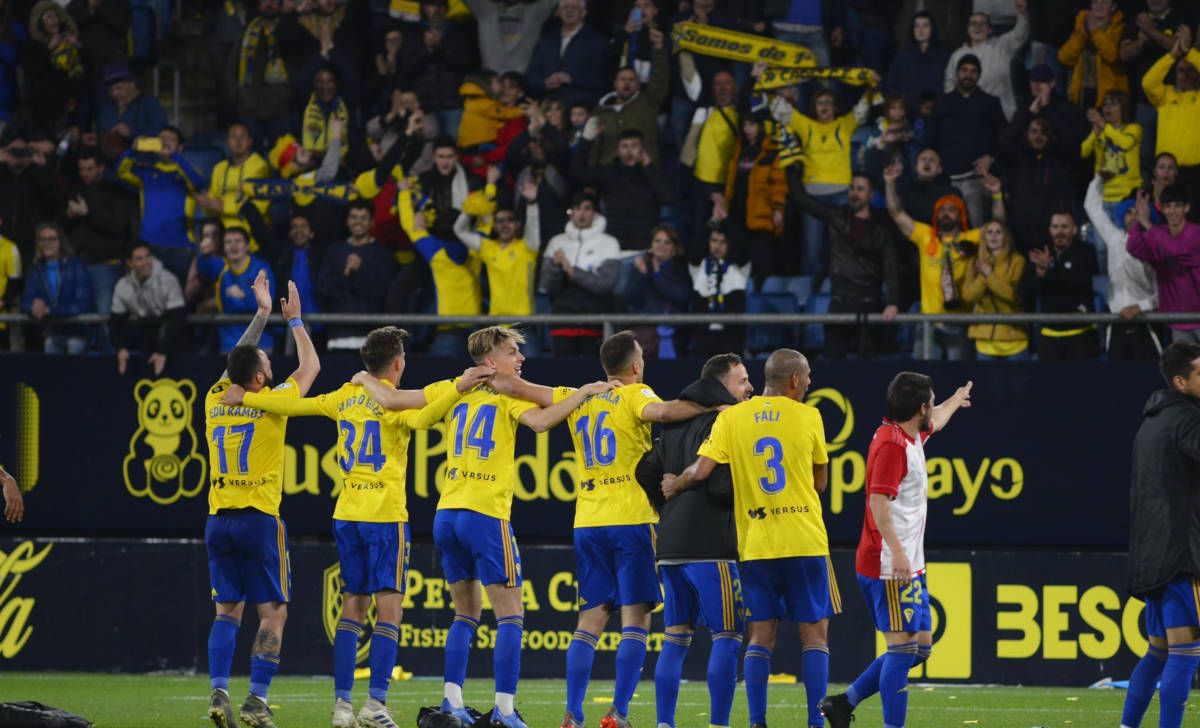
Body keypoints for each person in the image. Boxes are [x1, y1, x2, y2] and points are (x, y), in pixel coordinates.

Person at [222, 327, 493, 728]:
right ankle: (375, 704)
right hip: (384, 515)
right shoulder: (396, 403)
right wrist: (459, 388)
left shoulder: (345, 397)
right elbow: (428, 413)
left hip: (347, 514)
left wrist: (248, 396)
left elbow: (296, 408)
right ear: (398, 363)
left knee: (353, 607)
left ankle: (343, 706)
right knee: (389, 612)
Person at [354, 325, 614, 728]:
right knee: (510, 617)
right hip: (485, 513)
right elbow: (543, 424)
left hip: (447, 514)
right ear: (491, 361)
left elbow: (393, 400)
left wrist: (362, 378)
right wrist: (582, 393)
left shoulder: (453, 388)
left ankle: (452, 702)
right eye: (512, 352)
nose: (520, 359)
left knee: (465, 614)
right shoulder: (505, 392)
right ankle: (506, 712)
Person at [495, 331, 706, 728]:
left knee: (588, 623)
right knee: (635, 620)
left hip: (588, 520)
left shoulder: (578, 395)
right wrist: (713, 404)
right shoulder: (636, 394)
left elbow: (518, 387)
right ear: (635, 366)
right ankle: (618, 714)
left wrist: (489, 374)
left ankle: (573, 714)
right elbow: (663, 413)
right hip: (631, 518)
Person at [663, 349, 837, 728]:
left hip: (756, 543)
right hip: (804, 539)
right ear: (794, 380)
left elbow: (702, 469)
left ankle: (757, 721)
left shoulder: (734, 417)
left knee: (760, 634)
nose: (809, 382)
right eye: (807, 376)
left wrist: (676, 482)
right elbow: (820, 482)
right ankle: (816, 722)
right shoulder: (810, 416)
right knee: (815, 635)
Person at [820, 372, 973, 728]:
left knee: (919, 648)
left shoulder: (908, 433)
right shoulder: (892, 445)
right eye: (932, 401)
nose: (933, 408)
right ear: (920, 407)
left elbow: (936, 420)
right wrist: (899, 554)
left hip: (907, 564)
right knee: (902, 650)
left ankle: (844, 703)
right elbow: (878, 504)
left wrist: (954, 399)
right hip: (889, 564)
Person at [203, 272, 320, 728]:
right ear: (259, 377)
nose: (273, 368)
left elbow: (237, 361)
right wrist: (293, 321)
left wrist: (262, 314)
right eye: (268, 365)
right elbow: (309, 369)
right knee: (273, 614)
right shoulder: (272, 402)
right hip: (258, 519)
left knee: (226, 611)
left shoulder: (215, 401)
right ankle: (255, 700)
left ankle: (217, 691)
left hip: (218, 520)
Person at [634, 353, 753, 728]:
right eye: (742, 381)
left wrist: (667, 502)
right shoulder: (726, 422)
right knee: (728, 635)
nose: (748, 388)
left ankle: (664, 723)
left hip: (669, 545)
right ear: (722, 386)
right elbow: (721, 486)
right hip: (710, 544)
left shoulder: (675, 423)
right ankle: (718, 724)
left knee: (675, 638)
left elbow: (646, 469)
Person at [1121, 342, 1200, 728]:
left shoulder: (1152, 421)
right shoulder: (1186, 419)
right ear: (1180, 381)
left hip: (1153, 555)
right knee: (1186, 651)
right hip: (1181, 554)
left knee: (1160, 650)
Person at [884, 161, 1004, 359]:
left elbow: (998, 226)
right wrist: (889, 183)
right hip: (928, 323)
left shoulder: (970, 239)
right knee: (921, 381)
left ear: (961, 214)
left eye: (952, 209)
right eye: (942, 209)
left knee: (955, 379)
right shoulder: (926, 236)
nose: (946, 213)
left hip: (959, 323)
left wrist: (997, 195)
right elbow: (896, 213)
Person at [790, 172, 901, 359]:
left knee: (869, 368)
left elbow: (891, 265)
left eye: (860, 189)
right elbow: (801, 199)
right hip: (840, 302)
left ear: (871, 195)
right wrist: (790, 165)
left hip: (869, 303)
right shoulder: (836, 216)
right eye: (851, 188)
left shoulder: (882, 227)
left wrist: (893, 301)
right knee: (832, 363)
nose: (854, 193)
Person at [116, 126, 209, 285]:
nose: (165, 142)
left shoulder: (186, 170)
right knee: (148, 298)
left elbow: (199, 183)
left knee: (179, 300)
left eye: (170, 140)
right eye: (161, 139)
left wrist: (175, 157)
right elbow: (121, 171)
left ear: (180, 147)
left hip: (180, 246)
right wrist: (133, 150)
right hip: (150, 245)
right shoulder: (146, 172)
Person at [1084, 176, 1161, 360]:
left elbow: (1163, 293)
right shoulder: (1114, 238)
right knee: (1117, 382)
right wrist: (1099, 178)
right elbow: (1092, 207)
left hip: (1147, 323)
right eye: (1129, 212)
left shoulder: (1156, 245)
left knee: (1149, 380)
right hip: (1117, 323)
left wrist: (1140, 307)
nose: (1134, 216)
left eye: (1138, 212)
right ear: (1121, 215)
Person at [928, 54, 1007, 228]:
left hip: (976, 180)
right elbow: (930, 139)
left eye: (973, 71)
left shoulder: (991, 103)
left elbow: (1005, 138)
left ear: (979, 75)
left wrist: (991, 157)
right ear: (957, 74)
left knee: (977, 231)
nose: (968, 75)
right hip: (945, 180)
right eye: (964, 70)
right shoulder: (942, 103)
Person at [540, 191, 621, 357]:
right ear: (571, 212)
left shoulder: (609, 243)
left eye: (587, 208)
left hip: (595, 324)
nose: (582, 213)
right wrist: (556, 267)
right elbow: (547, 285)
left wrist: (571, 270)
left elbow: (605, 285)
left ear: (595, 213)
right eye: (577, 208)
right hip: (562, 321)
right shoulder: (557, 242)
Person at [453, 178, 541, 318]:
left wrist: (532, 204)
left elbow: (533, 227)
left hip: (524, 323)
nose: (505, 225)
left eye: (510, 220)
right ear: (494, 226)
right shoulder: (488, 247)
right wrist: (468, 211)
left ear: (518, 225)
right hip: (496, 324)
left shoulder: (527, 247)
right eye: (500, 221)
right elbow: (460, 231)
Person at [1019, 211, 1100, 360]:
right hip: (1049, 336)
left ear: (1074, 229)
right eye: (1055, 227)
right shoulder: (1041, 254)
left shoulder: (1086, 252)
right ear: (1050, 230)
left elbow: (1078, 283)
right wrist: (1038, 275)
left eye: (1064, 227)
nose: (1059, 232)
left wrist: (1050, 268)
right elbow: (1025, 289)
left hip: (1081, 335)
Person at [317, 200, 395, 349]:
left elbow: (381, 292)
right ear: (347, 221)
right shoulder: (335, 251)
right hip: (336, 337)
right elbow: (324, 289)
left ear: (371, 222)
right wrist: (346, 273)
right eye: (353, 217)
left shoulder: (382, 254)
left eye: (363, 218)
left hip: (370, 340)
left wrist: (359, 272)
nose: (358, 222)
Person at [1128, 185, 1200, 344]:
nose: (1172, 211)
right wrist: (1138, 222)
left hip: (1198, 317)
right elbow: (1134, 248)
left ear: (1186, 208)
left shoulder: (1196, 233)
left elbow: (1177, 250)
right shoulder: (1159, 233)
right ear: (1162, 209)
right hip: (1178, 322)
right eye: (1168, 206)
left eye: (1177, 206)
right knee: (1186, 369)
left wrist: (1147, 224)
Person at [195, 227, 277, 354]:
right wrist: (204, 252)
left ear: (247, 246)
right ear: (223, 247)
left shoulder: (260, 268)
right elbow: (203, 266)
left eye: (238, 241)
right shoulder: (221, 267)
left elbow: (269, 302)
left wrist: (245, 295)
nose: (233, 246)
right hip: (229, 344)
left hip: (260, 343)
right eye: (228, 242)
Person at [943, 0, 1029, 120]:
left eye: (982, 24)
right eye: (973, 24)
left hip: (1001, 115)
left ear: (989, 30)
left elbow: (1020, 35)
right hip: (967, 116)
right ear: (967, 29)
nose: (977, 28)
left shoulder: (1001, 46)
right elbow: (949, 84)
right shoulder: (957, 55)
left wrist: (1022, 14)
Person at [1143, 30, 1200, 205]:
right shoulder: (1166, 95)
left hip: (1195, 173)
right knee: (1164, 220)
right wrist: (1172, 55)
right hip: (1166, 173)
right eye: (1180, 71)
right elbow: (1148, 82)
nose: (1184, 75)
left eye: (1190, 71)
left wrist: (1189, 52)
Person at [110, 242, 186, 376]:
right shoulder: (123, 286)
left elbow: (177, 317)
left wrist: (162, 351)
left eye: (147, 256)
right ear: (130, 263)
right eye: (139, 259)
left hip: (170, 337)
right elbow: (116, 321)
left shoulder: (168, 280)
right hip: (142, 336)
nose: (145, 262)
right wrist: (120, 349)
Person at [20, 222, 94, 354]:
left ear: (60, 241)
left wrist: (50, 310)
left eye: (51, 239)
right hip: (52, 332)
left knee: (74, 349)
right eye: (42, 239)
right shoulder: (36, 269)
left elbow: (83, 304)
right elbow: (25, 301)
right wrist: (33, 305)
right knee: (50, 354)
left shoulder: (76, 266)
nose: (46, 243)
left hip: (77, 331)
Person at [959, 221, 1029, 360]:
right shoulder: (974, 262)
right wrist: (983, 277)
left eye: (998, 232)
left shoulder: (1017, 261)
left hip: (1014, 338)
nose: (993, 236)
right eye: (989, 232)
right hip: (984, 340)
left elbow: (1013, 295)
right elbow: (968, 296)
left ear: (1006, 237)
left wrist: (989, 275)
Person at [523, 0, 608, 110]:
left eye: (574, 7)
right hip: (548, 106)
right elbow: (531, 74)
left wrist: (571, 79)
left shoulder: (596, 40)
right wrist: (545, 83)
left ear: (583, 13)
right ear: (558, 12)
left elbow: (601, 78)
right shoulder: (547, 39)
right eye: (565, 7)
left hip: (580, 108)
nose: (569, 11)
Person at [1057, 0, 1129, 109]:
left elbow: (1112, 56)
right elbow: (1064, 58)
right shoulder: (1081, 26)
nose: (1098, 6)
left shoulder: (1120, 28)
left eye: (1104, 2)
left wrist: (1095, 31)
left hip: (1110, 97)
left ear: (1113, 6)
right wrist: (1082, 35)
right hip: (1082, 92)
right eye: (1095, 2)